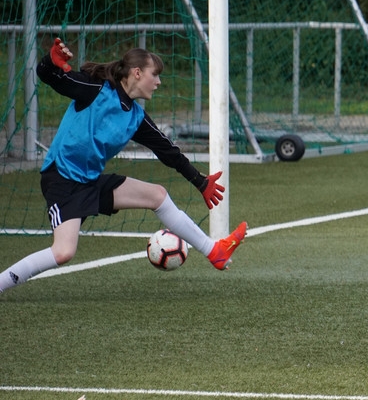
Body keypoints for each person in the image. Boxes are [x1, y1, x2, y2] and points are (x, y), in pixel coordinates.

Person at [0, 38, 247, 296]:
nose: (159, 82)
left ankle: (214, 251)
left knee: (158, 195)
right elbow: (51, 77)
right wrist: (51, 62)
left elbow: (167, 151)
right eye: (155, 74)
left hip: (90, 181)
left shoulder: (135, 117)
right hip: (62, 180)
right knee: (63, 252)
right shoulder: (96, 90)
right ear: (137, 73)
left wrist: (200, 182)